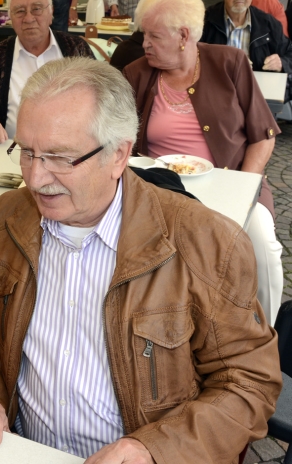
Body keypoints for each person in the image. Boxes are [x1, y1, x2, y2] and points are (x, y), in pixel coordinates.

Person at [0, 56, 281, 463]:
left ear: (120, 155)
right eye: (27, 152)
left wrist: (154, 448)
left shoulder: (208, 243)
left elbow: (249, 382)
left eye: (60, 157)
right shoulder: (6, 218)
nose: (34, 179)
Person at [124, 0, 284, 324]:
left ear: (184, 35)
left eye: (153, 37)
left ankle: (268, 336)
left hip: (233, 181)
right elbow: (119, 140)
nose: (144, 45)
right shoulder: (136, 73)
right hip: (160, 187)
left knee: (263, 247)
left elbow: (264, 135)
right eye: (145, 36)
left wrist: (242, 188)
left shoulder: (230, 62)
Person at [0, 0, 94, 143]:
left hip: (70, 153)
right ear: (11, 19)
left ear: (51, 14)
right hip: (10, 151)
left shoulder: (77, 49)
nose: (28, 18)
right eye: (20, 11)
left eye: (37, 9)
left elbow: (103, 98)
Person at [200, 0, 292, 90]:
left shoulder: (269, 23)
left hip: (258, 93)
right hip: (216, 89)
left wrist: (282, 63)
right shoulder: (204, 21)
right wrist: (227, 64)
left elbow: (290, 53)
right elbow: (191, 59)